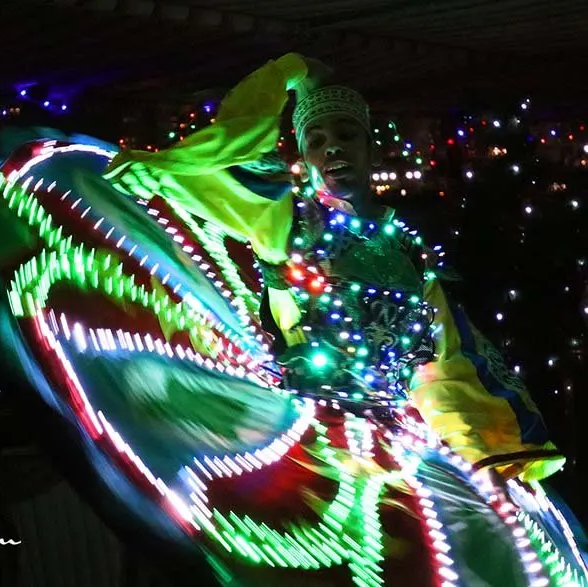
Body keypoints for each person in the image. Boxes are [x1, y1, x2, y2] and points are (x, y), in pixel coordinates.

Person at [102, 52, 564, 483]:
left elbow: (450, 360)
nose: (333, 149)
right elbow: (218, 165)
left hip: (397, 440)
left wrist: (489, 449)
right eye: (317, 141)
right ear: (304, 160)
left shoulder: (406, 249)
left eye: (345, 135)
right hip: (311, 438)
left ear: (372, 150)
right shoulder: (286, 218)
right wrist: (286, 71)